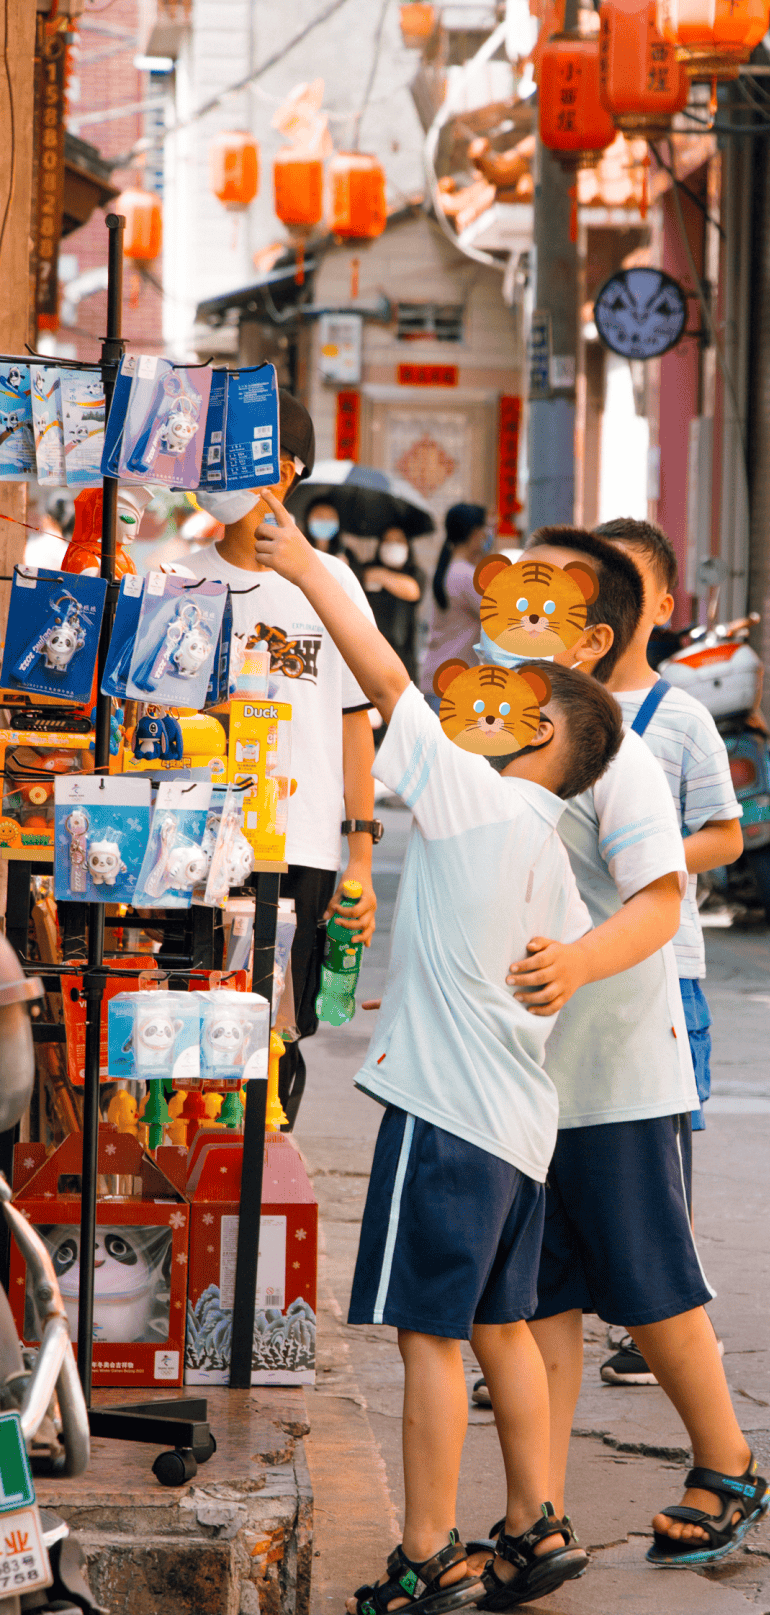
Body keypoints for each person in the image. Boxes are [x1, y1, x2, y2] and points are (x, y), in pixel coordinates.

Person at [252, 497, 681, 1615]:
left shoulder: (474, 801)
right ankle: (535, 1524)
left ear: (534, 735)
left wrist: (304, 560)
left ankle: (428, 1550)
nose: (475, 705)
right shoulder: (545, 850)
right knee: (503, 1328)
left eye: (501, 705)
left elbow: (387, 678)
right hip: (517, 1131)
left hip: (445, 1124)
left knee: (431, 1343)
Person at [503, 525, 770, 1570]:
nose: (511, 619)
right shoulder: (508, 735)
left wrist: (574, 963)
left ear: (591, 637)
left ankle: (728, 1462)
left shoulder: (618, 751)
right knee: (544, 1295)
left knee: (649, 1280)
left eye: (540, 603)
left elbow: (660, 905)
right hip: (532, 1065)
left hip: (615, 1059)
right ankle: (538, 1513)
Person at [182, 392, 381, 1127]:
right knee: (194, 1024)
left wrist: (360, 858)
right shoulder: (179, 580)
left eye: (239, 454)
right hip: (195, 849)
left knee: (276, 1040)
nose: (219, 469)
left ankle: (263, 1178)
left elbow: (356, 723)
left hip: (299, 848)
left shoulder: (329, 585)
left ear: (288, 471)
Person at [593, 518, 743, 1384]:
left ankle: (665, 1326)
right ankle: (530, 1331)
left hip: (664, 965)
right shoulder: (546, 702)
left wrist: (653, 854)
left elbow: (725, 835)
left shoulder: (683, 716)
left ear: (660, 604)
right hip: (567, 959)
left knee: (662, 1143)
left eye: (627, 584)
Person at [418, 503, 490, 703]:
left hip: (434, 679)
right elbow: (500, 617)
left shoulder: (447, 570)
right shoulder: (467, 576)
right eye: (485, 530)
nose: (487, 536)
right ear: (475, 533)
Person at [360, 525, 425, 684]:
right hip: (369, 655)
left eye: (398, 541)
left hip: (403, 657)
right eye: (387, 541)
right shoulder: (366, 568)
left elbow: (412, 590)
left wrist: (381, 576)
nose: (392, 545)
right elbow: (364, 577)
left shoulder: (415, 573)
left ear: (407, 546)